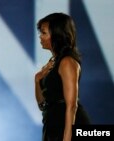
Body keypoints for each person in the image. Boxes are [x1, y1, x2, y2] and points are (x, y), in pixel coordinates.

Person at [34, 12, 90, 141]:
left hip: (69, 127)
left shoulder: (67, 62)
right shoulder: (53, 62)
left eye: (44, 33)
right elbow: (42, 104)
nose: (40, 37)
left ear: (56, 35)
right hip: (53, 125)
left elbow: (71, 105)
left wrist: (67, 137)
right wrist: (37, 79)